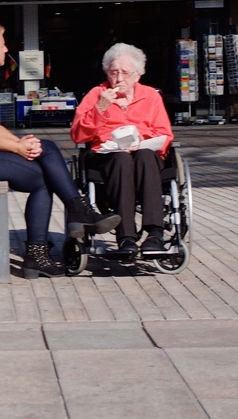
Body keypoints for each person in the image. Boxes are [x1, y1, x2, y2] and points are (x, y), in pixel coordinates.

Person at [0, 22, 120, 278]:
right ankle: (56, 234)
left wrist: (22, 144)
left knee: (44, 149)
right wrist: (18, 147)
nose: (5, 48)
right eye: (1, 44)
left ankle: (71, 218)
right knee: (41, 180)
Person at [71, 42, 174, 258]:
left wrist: (144, 143)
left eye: (125, 73)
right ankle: (126, 237)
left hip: (146, 155)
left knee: (145, 155)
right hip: (108, 157)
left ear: (138, 74)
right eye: (113, 72)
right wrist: (100, 109)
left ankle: (155, 233)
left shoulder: (151, 96)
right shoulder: (97, 94)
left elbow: (165, 134)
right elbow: (78, 135)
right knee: (121, 158)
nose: (119, 79)